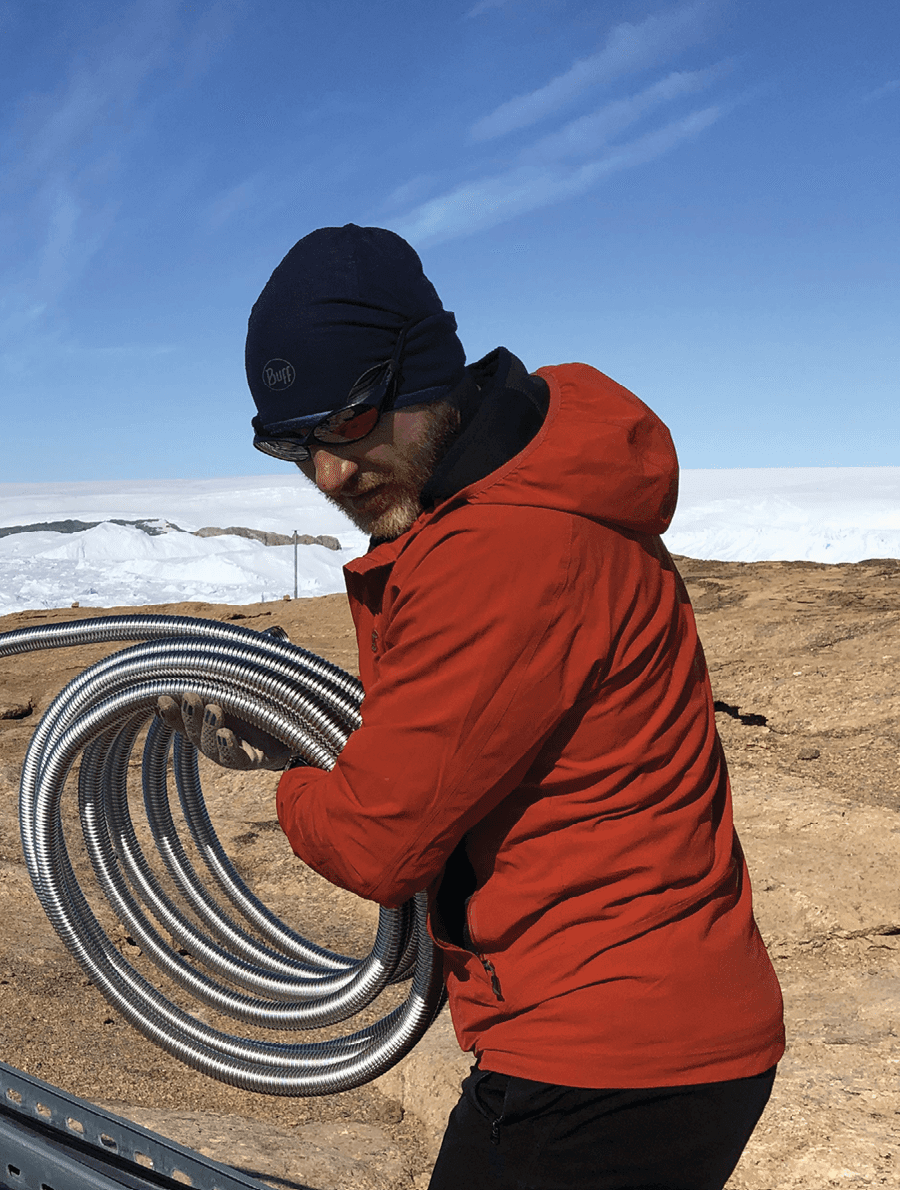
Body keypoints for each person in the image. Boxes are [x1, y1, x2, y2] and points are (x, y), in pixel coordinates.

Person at [162, 224, 784, 1189]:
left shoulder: (501, 546)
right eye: (289, 442)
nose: (328, 472)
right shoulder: (528, 492)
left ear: (424, 371)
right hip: (643, 1035)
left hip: (605, 1059)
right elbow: (469, 728)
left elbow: (377, 841)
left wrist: (294, 774)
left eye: (351, 420)